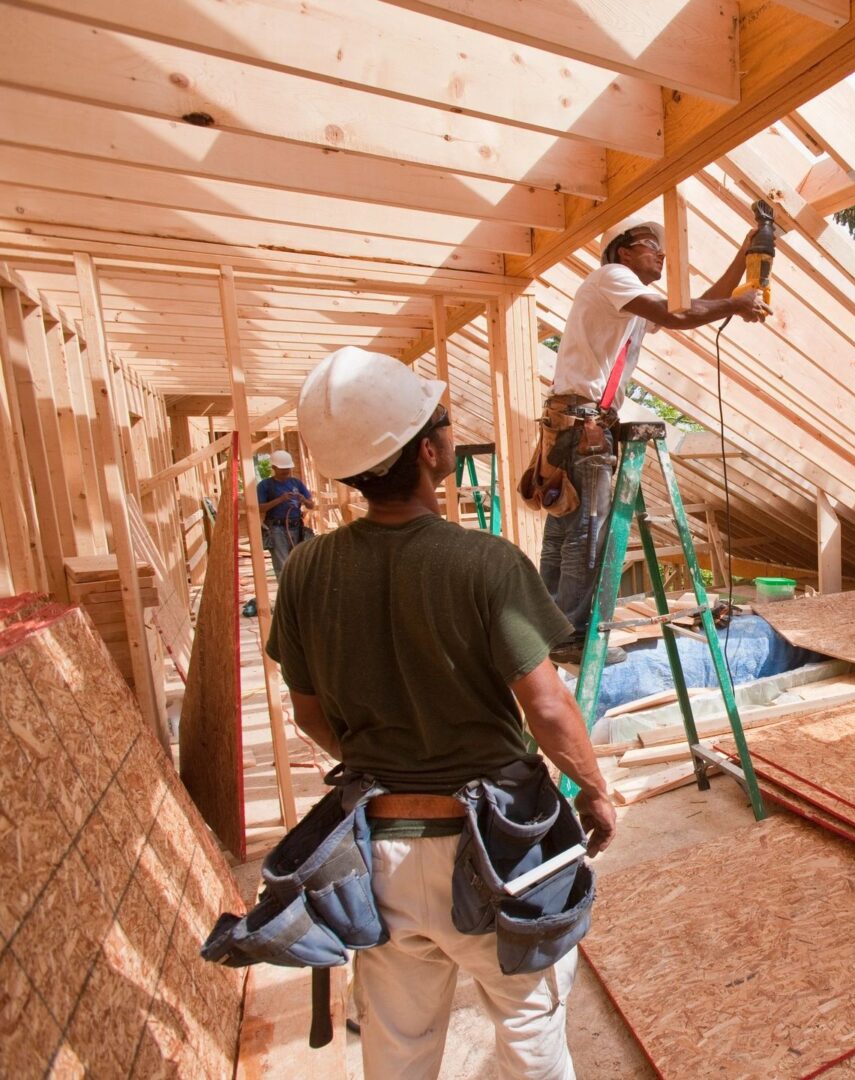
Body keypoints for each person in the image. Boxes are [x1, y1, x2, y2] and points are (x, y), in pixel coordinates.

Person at [268, 346, 617, 1079]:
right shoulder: (485, 563)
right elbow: (548, 708)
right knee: (530, 1038)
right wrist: (593, 788)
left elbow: (308, 715)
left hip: (378, 852)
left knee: (398, 1054)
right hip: (497, 850)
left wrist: (387, 756)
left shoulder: (306, 571)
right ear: (430, 451)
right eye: (447, 425)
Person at [525, 215, 770, 665]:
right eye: (650, 245)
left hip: (573, 421)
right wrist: (738, 307)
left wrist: (744, 254)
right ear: (622, 251)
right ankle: (571, 636)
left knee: (564, 529)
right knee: (585, 533)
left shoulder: (628, 302)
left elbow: (699, 303)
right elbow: (679, 315)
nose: (660, 253)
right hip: (584, 425)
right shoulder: (613, 279)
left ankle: (547, 631)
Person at [258, 449, 314, 578]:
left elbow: (311, 505)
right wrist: (280, 499)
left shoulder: (296, 483)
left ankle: (299, 593)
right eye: (282, 469)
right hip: (276, 529)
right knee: (282, 565)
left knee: (300, 562)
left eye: (287, 468)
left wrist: (303, 500)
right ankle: (286, 595)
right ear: (273, 467)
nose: (286, 472)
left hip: (296, 527)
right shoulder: (265, 485)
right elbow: (260, 508)